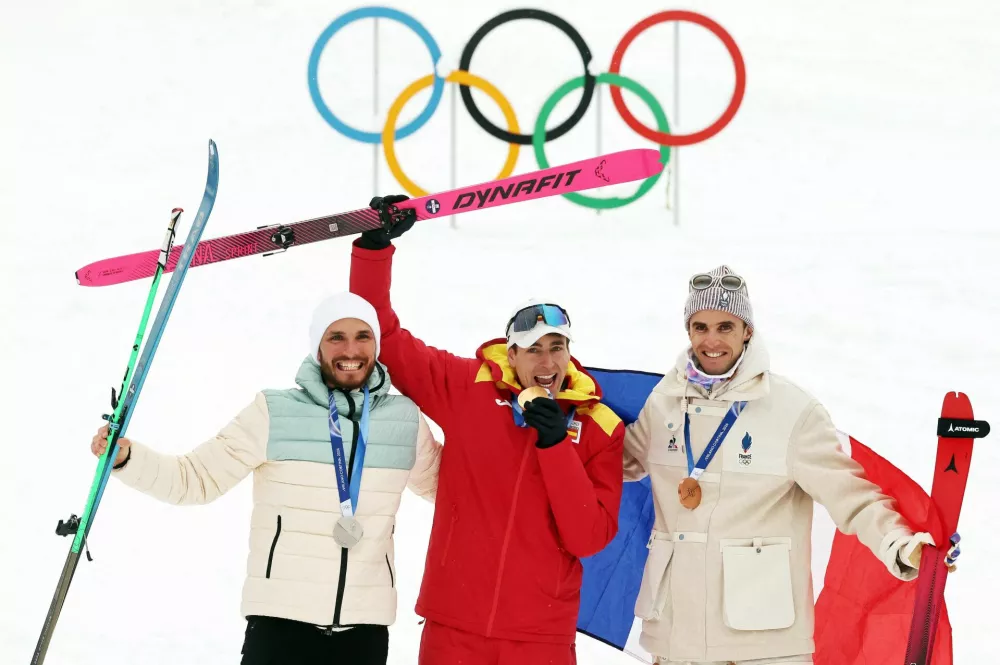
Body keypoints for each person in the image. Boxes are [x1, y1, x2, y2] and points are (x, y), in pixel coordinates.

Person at [621, 265, 961, 665]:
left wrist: (902, 546)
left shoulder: (791, 410)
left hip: (762, 645)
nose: (711, 340)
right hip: (676, 643)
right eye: (700, 326)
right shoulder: (663, 403)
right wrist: (555, 435)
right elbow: (606, 468)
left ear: (747, 329)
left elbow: (853, 499)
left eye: (725, 327)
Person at [91, 291, 442, 665]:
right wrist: (128, 458)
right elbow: (195, 479)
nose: (350, 350)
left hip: (365, 633)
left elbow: (454, 489)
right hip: (280, 627)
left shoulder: (403, 421)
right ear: (317, 347)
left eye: (362, 336)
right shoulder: (274, 412)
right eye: (335, 337)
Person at [347, 194, 625, 665]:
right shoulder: (470, 387)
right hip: (454, 624)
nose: (547, 360)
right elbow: (386, 340)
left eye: (557, 347)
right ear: (510, 354)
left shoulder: (599, 425)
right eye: (533, 348)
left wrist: (556, 445)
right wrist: (373, 252)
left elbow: (589, 537)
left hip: (541, 637)